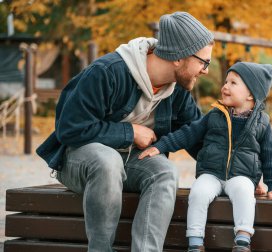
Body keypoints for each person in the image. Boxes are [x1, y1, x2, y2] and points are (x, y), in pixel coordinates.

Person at [36, 12, 214, 252]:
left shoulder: (177, 91)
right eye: (204, 62)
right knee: (107, 162)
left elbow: (198, 138)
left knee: (165, 171)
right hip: (78, 161)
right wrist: (129, 133)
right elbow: (69, 129)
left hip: (129, 163)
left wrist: (239, 174)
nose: (205, 70)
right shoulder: (108, 72)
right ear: (179, 57)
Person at [139, 62, 272, 252]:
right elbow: (188, 134)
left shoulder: (261, 123)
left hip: (241, 176)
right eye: (226, 81)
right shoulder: (215, 115)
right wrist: (160, 146)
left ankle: (243, 240)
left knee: (245, 192)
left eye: (233, 83)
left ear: (250, 94)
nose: (225, 86)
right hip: (211, 173)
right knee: (198, 192)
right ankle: (195, 242)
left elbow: (270, 156)